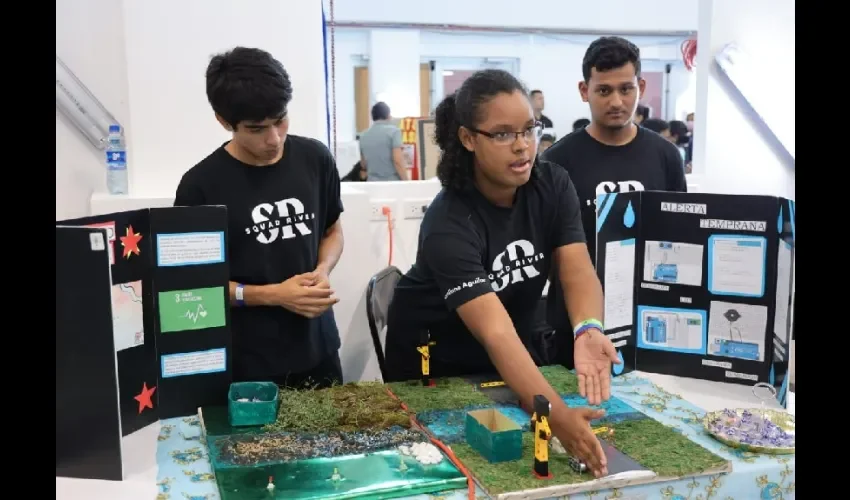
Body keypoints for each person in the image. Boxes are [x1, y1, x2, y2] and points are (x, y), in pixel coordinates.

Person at [384, 69, 620, 478]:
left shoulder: (552, 183)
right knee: (462, 472)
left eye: (529, 129)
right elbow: (495, 332)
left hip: (506, 361)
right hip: (436, 366)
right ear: (468, 139)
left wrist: (588, 328)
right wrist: (559, 418)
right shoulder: (449, 222)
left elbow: (578, 269)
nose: (522, 146)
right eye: (503, 134)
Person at [173, 47, 345, 388]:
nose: (274, 138)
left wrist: (322, 271)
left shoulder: (315, 158)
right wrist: (274, 295)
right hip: (249, 367)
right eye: (256, 129)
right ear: (224, 122)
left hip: (319, 349)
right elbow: (191, 290)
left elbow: (332, 231)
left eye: (280, 120)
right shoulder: (200, 187)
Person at [542, 36, 686, 369]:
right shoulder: (555, 162)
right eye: (604, 90)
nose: (617, 101)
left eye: (626, 89)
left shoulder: (666, 156)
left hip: (648, 320)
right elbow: (547, 250)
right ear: (584, 90)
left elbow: (679, 235)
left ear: (641, 86)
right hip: (575, 326)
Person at [360, 102, 407, 181]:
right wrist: (407, 181)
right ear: (388, 115)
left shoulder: (363, 135)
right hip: (392, 184)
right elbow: (397, 161)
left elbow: (363, 164)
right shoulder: (394, 132)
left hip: (372, 184)